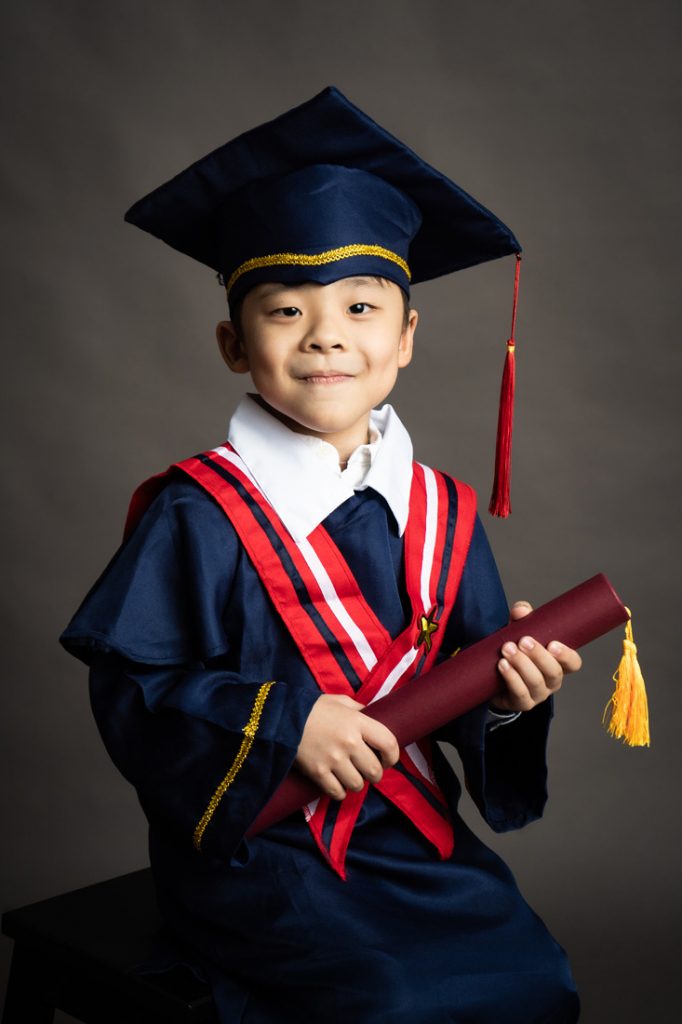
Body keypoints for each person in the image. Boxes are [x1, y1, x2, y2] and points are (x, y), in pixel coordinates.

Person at [61, 86, 583, 1022]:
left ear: (407, 336)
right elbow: (131, 687)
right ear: (234, 343)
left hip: (410, 841)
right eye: (285, 311)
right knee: (386, 999)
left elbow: (466, 686)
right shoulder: (198, 512)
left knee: (534, 976)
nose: (328, 334)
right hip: (259, 852)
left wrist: (508, 700)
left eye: (360, 304)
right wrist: (282, 723)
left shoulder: (443, 511)